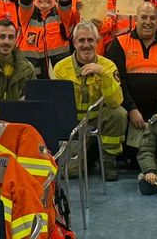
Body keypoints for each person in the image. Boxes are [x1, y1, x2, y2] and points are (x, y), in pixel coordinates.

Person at [53, 21, 129, 178]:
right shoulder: (61, 68)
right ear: (74, 43)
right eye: (81, 40)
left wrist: (103, 73)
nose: (86, 45)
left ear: (97, 41)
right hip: (73, 126)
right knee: (70, 174)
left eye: (90, 40)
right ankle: (88, 156)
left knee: (119, 114)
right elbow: (58, 106)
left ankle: (108, 162)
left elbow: (115, 102)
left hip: (99, 121)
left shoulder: (108, 66)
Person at [105, 4, 157, 153]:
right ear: (136, 20)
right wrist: (132, 109)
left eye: (152, 18)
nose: (148, 22)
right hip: (132, 112)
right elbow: (117, 82)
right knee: (134, 159)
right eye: (144, 17)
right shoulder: (121, 42)